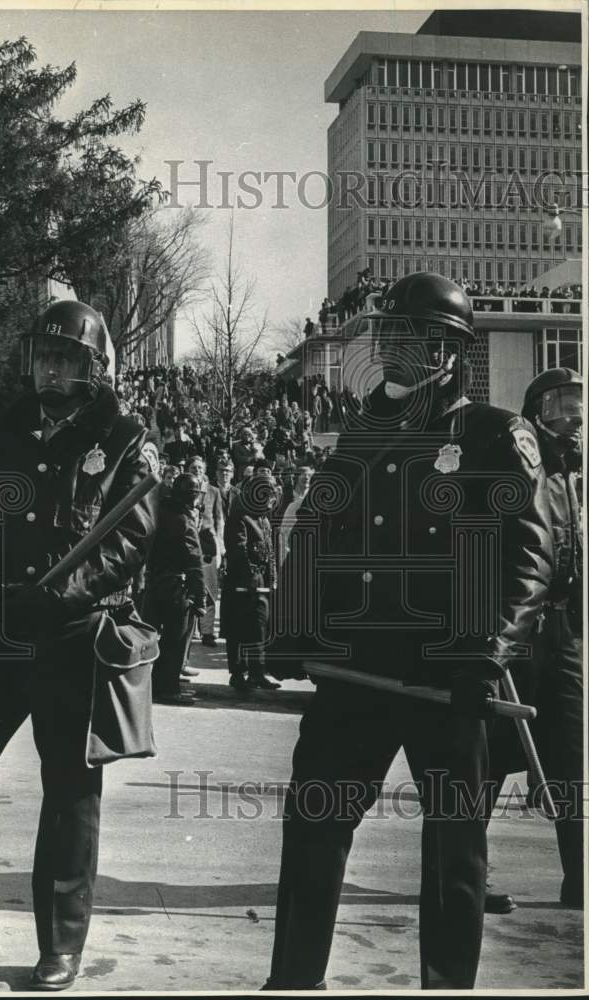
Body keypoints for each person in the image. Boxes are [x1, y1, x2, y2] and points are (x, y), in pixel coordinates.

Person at [263, 273, 553, 990]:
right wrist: (295, 625)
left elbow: (529, 554)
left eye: (422, 339)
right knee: (313, 830)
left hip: (451, 675)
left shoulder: (490, 435)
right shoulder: (357, 434)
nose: (401, 350)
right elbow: (314, 540)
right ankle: (293, 982)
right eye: (393, 335)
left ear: (451, 351)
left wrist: (485, 652)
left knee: (454, 849)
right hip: (354, 672)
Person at [0, 300, 158, 990]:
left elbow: (130, 539)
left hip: (76, 635)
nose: (51, 367)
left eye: (67, 357)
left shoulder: (126, 435)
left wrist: (62, 597)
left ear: (94, 367)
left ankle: (60, 949)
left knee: (70, 795)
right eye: (43, 355)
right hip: (4, 632)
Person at [486, 367, 584, 911]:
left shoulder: (574, 476)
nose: (571, 419)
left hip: (564, 632)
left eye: (578, 406)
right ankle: (464, 874)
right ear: (534, 415)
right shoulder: (519, 469)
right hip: (518, 633)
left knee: (574, 755)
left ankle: (581, 879)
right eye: (558, 407)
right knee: (491, 760)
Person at [143, 473, 206, 705]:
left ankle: (154, 686)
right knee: (176, 640)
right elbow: (194, 562)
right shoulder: (184, 520)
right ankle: (167, 688)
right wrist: (200, 598)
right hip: (176, 587)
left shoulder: (159, 511)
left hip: (154, 583)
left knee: (153, 638)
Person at [222, 472, 282, 693]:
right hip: (242, 585)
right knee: (239, 630)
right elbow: (238, 551)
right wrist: (253, 580)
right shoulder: (239, 517)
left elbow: (270, 552)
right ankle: (238, 674)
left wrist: (273, 579)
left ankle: (257, 673)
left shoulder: (263, 519)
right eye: (265, 495)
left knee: (259, 629)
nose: (269, 500)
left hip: (260, 585)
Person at [188, 455, 223, 648]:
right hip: (188, 545)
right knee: (191, 588)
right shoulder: (183, 487)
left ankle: (208, 631)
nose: (198, 471)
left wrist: (221, 545)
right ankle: (191, 629)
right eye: (194, 468)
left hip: (208, 544)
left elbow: (219, 519)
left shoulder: (214, 491)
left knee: (210, 590)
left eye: (200, 468)